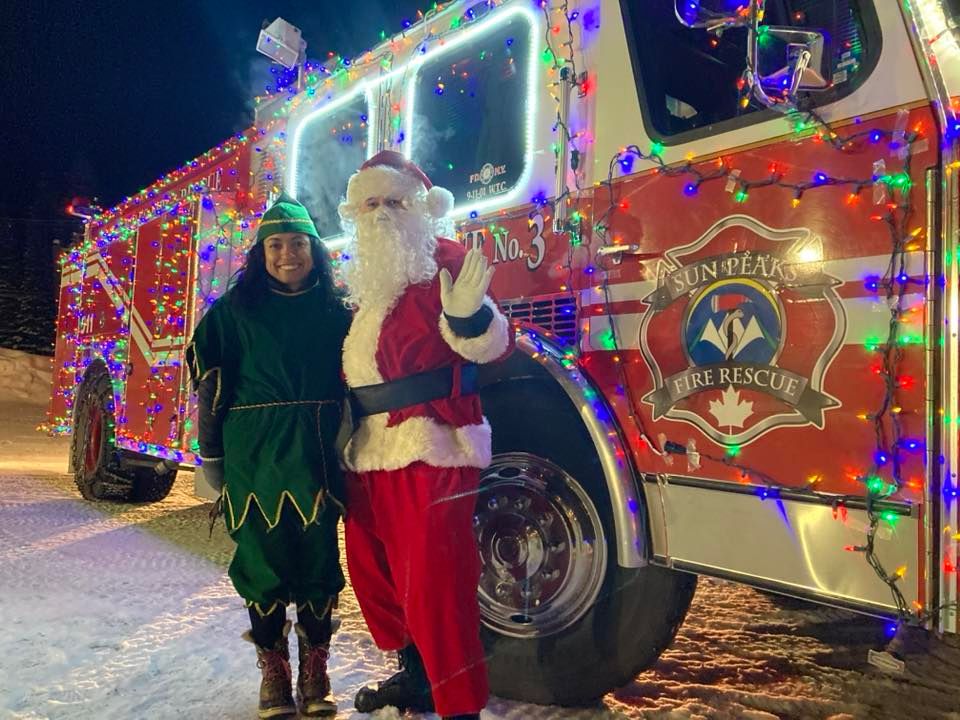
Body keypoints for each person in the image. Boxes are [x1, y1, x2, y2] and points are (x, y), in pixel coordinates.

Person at [337, 151, 513, 720]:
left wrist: (468, 318)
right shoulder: (369, 279)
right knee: (377, 575)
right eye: (370, 203)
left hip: (431, 444)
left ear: (421, 207)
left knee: (437, 585)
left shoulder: (445, 261)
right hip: (370, 451)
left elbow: (492, 346)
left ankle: (459, 705)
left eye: (394, 201)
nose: (381, 214)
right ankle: (417, 677)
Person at [186, 194, 349, 719]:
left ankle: (315, 668)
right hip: (253, 452)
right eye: (275, 245)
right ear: (260, 253)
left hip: (316, 449)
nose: (287, 255)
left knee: (319, 557)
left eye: (297, 243)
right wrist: (212, 455)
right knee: (261, 558)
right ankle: (273, 669)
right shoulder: (235, 312)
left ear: (314, 250)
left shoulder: (338, 312)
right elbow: (210, 386)